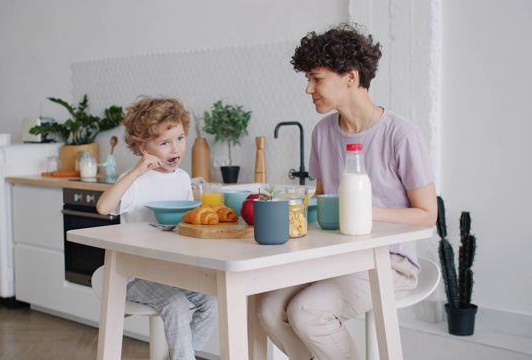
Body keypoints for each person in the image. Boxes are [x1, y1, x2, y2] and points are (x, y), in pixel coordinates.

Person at [258, 23, 437, 360]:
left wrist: (361, 211)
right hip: (335, 258)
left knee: (307, 313)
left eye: (316, 78)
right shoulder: (322, 133)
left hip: (389, 262)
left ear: (351, 77)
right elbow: (324, 200)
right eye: (308, 80)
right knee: (268, 308)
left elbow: (427, 215)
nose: (308, 89)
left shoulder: (402, 136)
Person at [96, 96, 218, 360]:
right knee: (174, 305)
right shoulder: (136, 181)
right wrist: (135, 172)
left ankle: (180, 356)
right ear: (144, 148)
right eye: (164, 143)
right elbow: (103, 208)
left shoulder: (183, 178)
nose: (175, 149)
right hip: (133, 273)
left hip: (171, 270)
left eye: (180, 138)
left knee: (213, 300)